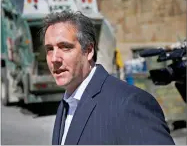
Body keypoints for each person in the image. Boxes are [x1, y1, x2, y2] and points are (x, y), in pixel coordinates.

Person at [42, 11, 175, 145]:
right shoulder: (67, 102)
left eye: (65, 47)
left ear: (88, 51)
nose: (54, 59)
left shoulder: (129, 103)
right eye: (49, 49)